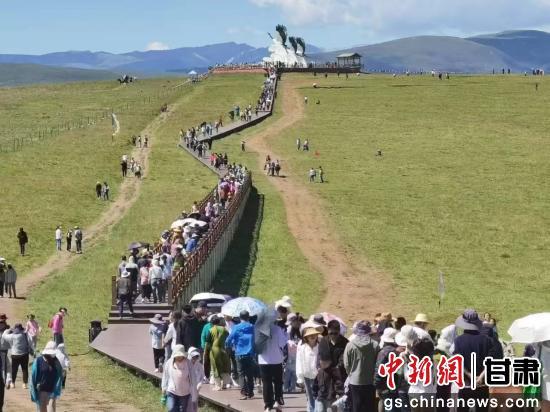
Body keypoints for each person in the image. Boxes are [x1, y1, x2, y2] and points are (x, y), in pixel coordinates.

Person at [452, 309, 500, 412]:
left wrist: (470, 375)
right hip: (482, 384)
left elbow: (457, 362)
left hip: (465, 385)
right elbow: (491, 361)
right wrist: (480, 377)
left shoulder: (458, 341)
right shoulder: (487, 340)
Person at [343, 320, 379, 412]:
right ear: (368, 332)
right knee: (369, 407)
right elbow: (377, 363)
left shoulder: (350, 345)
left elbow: (346, 364)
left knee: (356, 407)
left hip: (355, 381)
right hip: (370, 381)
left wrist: (351, 374)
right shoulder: (375, 345)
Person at [314, 319, 349, 411]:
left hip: (340, 375)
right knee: (323, 398)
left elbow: (343, 359)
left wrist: (337, 367)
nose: (333, 335)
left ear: (339, 331)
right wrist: (327, 366)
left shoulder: (345, 343)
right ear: (328, 331)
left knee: (339, 401)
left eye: (335, 333)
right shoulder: (323, 341)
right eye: (331, 333)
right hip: (325, 375)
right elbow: (323, 359)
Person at [258, 321, 288, 411]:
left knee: (266, 383)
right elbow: (282, 344)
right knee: (278, 382)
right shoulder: (277, 329)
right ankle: (278, 401)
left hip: (263, 360)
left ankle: (268, 405)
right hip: (276, 359)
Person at [225, 310, 255, 400]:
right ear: (248, 317)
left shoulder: (236, 327)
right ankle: (250, 392)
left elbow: (229, 339)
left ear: (240, 317)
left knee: (241, 373)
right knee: (250, 374)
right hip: (250, 353)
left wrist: (228, 346)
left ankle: (243, 393)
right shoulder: (252, 327)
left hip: (239, 353)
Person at [161, 347, 198, 412]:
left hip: (185, 394)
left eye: (180, 356)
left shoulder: (188, 363)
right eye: (177, 356)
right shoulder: (169, 363)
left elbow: (193, 378)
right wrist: (164, 389)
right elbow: (165, 376)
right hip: (172, 391)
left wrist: (194, 394)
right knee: (172, 409)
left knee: (182, 410)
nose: (178, 357)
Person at [31, 341, 63, 412]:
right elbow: (33, 377)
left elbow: (59, 376)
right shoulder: (38, 361)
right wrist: (34, 392)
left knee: (51, 408)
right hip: (41, 391)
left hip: (52, 391)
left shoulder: (56, 361)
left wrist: (56, 390)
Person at [297, 327, 321, 412]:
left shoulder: (320, 347)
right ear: (306, 337)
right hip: (306, 375)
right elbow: (299, 362)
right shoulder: (302, 348)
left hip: (318, 375)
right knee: (309, 395)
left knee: (318, 395)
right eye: (310, 335)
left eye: (314, 334)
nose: (312, 336)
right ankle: (311, 410)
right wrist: (299, 377)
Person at [2, 323, 33, 389]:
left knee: (14, 369)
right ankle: (24, 384)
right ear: (21, 328)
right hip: (24, 354)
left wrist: (8, 330)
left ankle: (13, 383)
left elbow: (4, 336)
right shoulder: (25, 334)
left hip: (15, 355)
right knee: (24, 369)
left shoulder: (12, 336)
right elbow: (30, 341)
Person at [205, 316, 231, 390]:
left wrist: (206, 352)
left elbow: (208, 343)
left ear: (211, 323)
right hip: (223, 350)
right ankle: (225, 384)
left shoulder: (211, 330)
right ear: (219, 322)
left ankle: (218, 385)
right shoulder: (224, 329)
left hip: (214, 350)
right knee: (224, 366)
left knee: (215, 367)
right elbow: (228, 338)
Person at [187, 347, 205, 412]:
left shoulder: (200, 366)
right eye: (193, 357)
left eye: (196, 357)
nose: (194, 359)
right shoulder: (186, 365)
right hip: (187, 390)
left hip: (196, 389)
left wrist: (199, 385)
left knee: (195, 406)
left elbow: (202, 377)